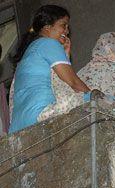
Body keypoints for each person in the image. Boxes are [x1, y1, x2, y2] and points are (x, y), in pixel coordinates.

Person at [9, 5, 89, 133]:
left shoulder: (30, 51)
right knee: (99, 101)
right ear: (47, 27)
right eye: (64, 25)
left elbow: (56, 78)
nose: (67, 31)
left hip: (19, 126)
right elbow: (72, 82)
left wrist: (65, 56)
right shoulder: (48, 43)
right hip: (42, 114)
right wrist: (95, 97)